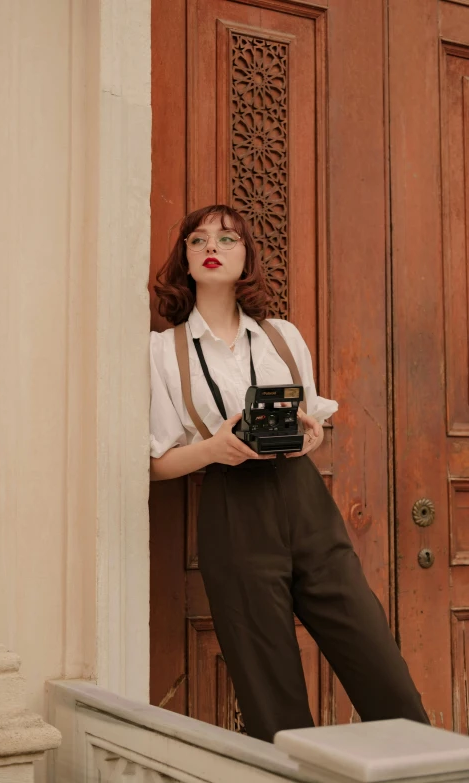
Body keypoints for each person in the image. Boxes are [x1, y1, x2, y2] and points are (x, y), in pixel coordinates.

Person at [150, 204, 429, 742]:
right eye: (198, 239)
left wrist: (312, 436)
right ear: (184, 258)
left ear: (246, 255)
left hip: (305, 503)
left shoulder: (282, 337)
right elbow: (156, 464)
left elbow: (308, 423)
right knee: (271, 697)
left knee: (382, 672)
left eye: (228, 238)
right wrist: (215, 449)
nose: (212, 246)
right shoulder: (166, 351)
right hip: (232, 511)